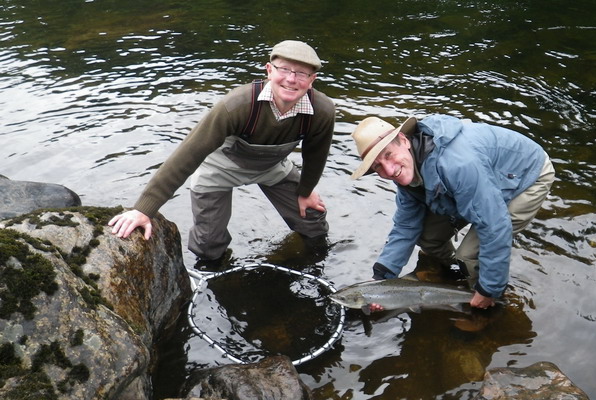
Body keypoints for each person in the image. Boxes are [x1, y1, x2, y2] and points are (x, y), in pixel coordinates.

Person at [108, 40, 335, 265]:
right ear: (269, 70)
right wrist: (143, 210)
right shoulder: (236, 105)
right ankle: (213, 274)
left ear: (312, 80)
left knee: (313, 221)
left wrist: (306, 190)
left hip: (272, 167)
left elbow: (316, 154)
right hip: (220, 168)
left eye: (301, 73)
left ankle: (311, 265)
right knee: (208, 245)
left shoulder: (322, 110)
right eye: (284, 69)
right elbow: (187, 156)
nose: (291, 79)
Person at [350, 114, 554, 309]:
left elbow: (494, 226)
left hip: (526, 176)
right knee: (428, 237)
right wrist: (381, 279)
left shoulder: (457, 164)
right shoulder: (408, 172)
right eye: (378, 167)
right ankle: (456, 276)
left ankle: (489, 303)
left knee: (469, 255)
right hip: (477, 182)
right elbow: (406, 226)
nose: (389, 170)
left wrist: (489, 288)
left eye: (388, 155)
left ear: (404, 140)